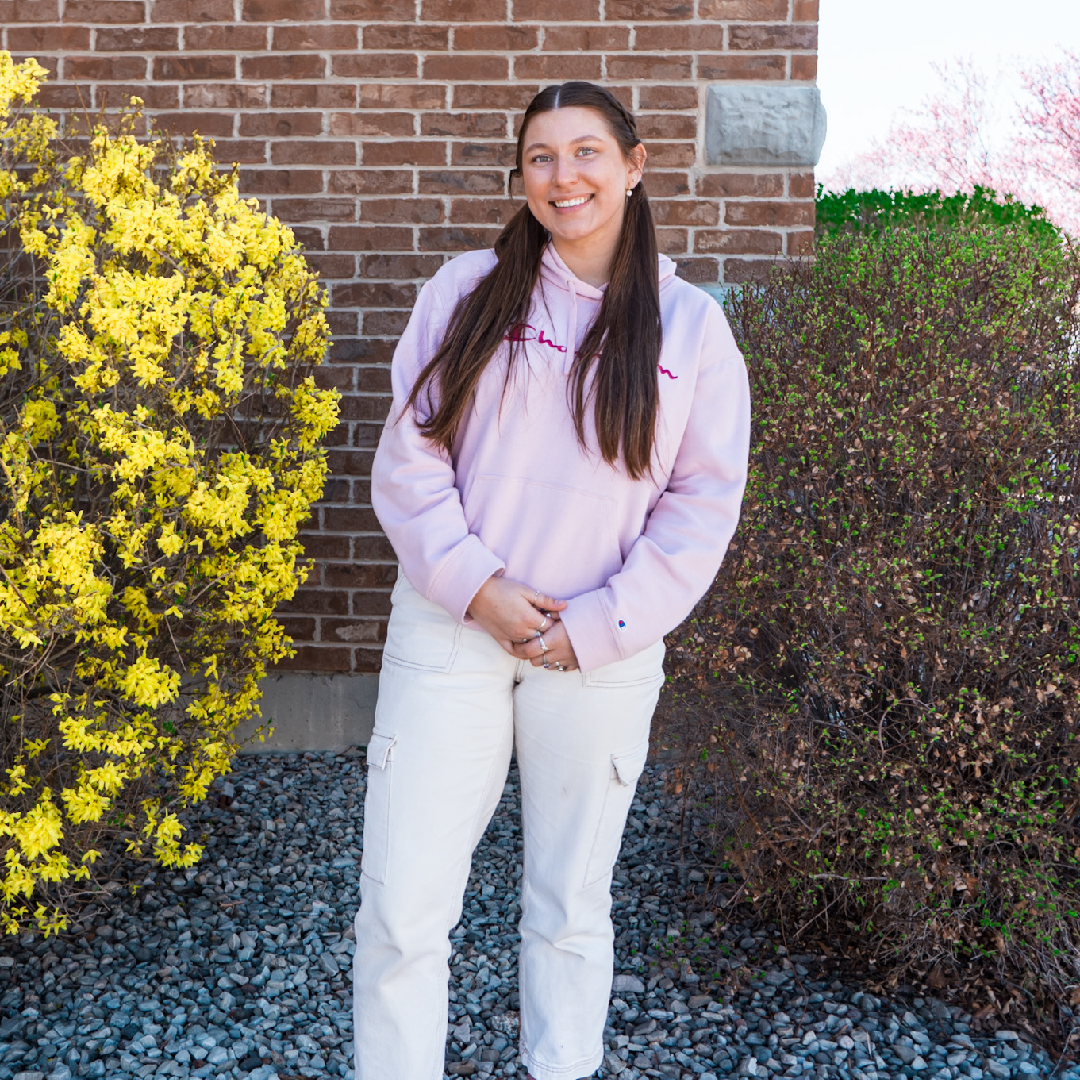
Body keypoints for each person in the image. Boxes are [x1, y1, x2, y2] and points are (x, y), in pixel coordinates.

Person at [352, 81, 752, 1080]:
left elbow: (702, 506)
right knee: (402, 909)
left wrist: (603, 623)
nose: (562, 177)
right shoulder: (466, 292)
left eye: (585, 153)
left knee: (570, 909)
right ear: (521, 173)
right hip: (454, 634)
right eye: (540, 156)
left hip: (598, 655)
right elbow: (409, 463)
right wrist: (477, 585)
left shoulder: (692, 330)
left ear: (634, 164)